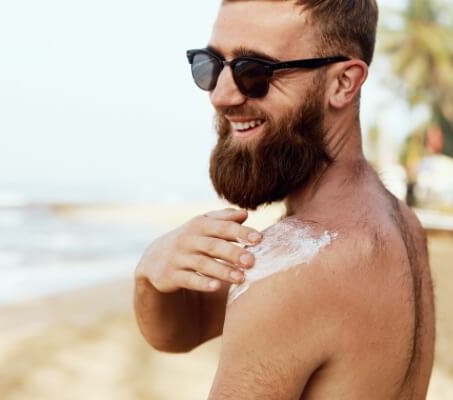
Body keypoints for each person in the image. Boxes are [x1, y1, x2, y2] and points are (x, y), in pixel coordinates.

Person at [133, 1, 435, 398]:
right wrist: (150, 273)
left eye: (253, 72)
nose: (221, 95)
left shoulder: (293, 270)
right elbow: (182, 331)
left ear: (343, 83)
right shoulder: (401, 224)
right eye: (211, 64)